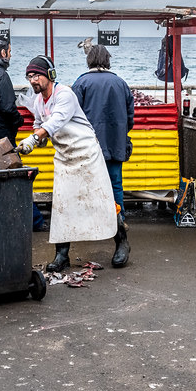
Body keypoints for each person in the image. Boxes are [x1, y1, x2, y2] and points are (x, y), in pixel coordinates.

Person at [16, 56, 118, 272]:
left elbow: (56, 121)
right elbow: (39, 124)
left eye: (37, 75)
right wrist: (37, 139)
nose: (33, 80)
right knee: (62, 207)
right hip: (65, 157)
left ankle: (122, 242)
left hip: (87, 154)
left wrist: (34, 139)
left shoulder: (65, 94)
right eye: (30, 76)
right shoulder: (38, 101)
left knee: (101, 203)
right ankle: (62, 255)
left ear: (50, 75)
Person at [0, 38, 47, 230]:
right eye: (10, 52)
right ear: (3, 53)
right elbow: (7, 107)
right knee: (16, 182)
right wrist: (19, 121)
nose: (11, 55)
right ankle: (35, 222)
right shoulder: (0, 75)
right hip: (2, 139)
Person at [71, 45, 134, 266]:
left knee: (86, 187)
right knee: (115, 185)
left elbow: (72, 116)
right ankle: (120, 226)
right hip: (116, 145)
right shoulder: (121, 83)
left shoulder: (81, 83)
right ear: (107, 60)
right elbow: (130, 118)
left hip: (89, 147)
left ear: (89, 60)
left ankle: (88, 227)